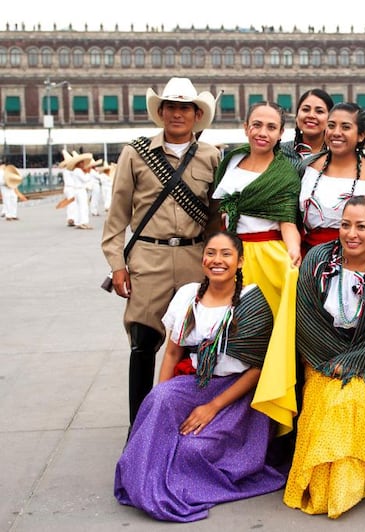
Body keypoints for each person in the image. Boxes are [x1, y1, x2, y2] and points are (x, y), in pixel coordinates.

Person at [114, 231, 287, 522]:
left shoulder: (252, 302)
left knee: (194, 450)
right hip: (194, 382)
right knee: (159, 400)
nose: (217, 260)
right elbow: (171, 354)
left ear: (240, 262)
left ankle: (169, 478)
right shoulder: (187, 295)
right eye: (211, 253)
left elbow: (257, 370)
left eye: (226, 254)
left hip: (235, 395)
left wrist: (212, 407)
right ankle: (143, 482)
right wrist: (162, 405)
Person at [102, 77, 220, 429]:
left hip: (193, 258)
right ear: (161, 111)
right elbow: (117, 216)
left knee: (195, 345)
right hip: (148, 258)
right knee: (143, 343)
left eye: (185, 107)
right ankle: (138, 428)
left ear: (197, 114)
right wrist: (117, 265)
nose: (178, 114)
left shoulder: (212, 156)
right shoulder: (135, 153)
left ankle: (186, 424)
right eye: (171, 106)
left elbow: (214, 218)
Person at [284, 196, 365, 519]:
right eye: (345, 225)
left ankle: (346, 489)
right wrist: (330, 360)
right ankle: (324, 486)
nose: (351, 234)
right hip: (322, 359)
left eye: (361, 226)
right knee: (331, 401)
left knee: (351, 398)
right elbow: (307, 320)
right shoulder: (317, 260)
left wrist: (354, 361)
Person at [212, 101, 301, 437]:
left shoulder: (283, 172)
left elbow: (287, 220)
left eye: (271, 127)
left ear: (281, 134)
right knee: (230, 340)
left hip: (268, 259)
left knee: (267, 341)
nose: (263, 132)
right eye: (257, 125)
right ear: (245, 126)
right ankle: (229, 426)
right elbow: (220, 215)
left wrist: (293, 251)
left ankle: (270, 428)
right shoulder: (230, 160)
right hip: (230, 257)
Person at [299, 102, 365, 256]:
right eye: (331, 125)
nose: (336, 132)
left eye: (345, 127)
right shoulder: (307, 167)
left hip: (356, 262)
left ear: (361, 135)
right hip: (308, 258)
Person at [281, 88, 334, 171]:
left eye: (319, 111)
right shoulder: (279, 152)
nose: (311, 115)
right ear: (297, 116)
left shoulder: (337, 156)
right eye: (306, 109)